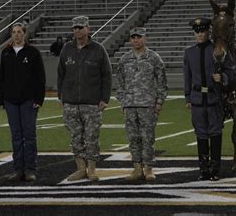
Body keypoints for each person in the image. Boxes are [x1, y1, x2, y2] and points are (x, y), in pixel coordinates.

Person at [57, 16, 112, 182]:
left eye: (80, 27)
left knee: (92, 137)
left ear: (88, 28)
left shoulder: (98, 49)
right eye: (74, 28)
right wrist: (61, 96)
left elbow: (106, 76)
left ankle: (92, 169)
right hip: (71, 103)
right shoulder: (66, 49)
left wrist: (104, 98)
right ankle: (81, 169)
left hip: (92, 103)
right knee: (75, 137)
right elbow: (61, 74)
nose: (77, 31)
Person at [183, 17, 234, 181]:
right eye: (197, 31)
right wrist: (187, 97)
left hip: (214, 98)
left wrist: (223, 77)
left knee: (215, 133)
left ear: (208, 32)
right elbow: (187, 77)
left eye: (203, 31)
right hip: (197, 99)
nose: (199, 34)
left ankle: (215, 169)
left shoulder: (217, 50)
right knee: (201, 134)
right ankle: (203, 169)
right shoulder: (189, 52)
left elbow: (231, 71)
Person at [116, 27, 168, 181]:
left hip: (148, 104)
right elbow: (120, 82)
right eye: (133, 37)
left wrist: (159, 102)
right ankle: (137, 168)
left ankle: (149, 168)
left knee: (148, 138)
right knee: (133, 138)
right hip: (130, 105)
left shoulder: (154, 58)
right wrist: (123, 101)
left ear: (144, 38)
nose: (136, 40)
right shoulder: (125, 59)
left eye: (139, 37)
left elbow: (162, 82)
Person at [0, 22, 45, 181]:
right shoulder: (6, 52)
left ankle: (30, 170)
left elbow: (40, 77)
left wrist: (39, 99)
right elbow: (1, 78)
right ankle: (18, 170)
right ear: (11, 34)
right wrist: (1, 99)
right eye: (14, 32)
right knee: (16, 136)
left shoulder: (33, 53)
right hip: (10, 101)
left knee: (29, 136)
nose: (16, 34)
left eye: (19, 32)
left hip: (28, 100)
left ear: (24, 34)